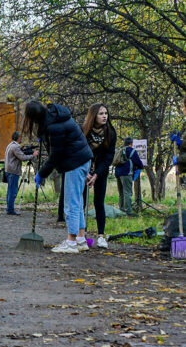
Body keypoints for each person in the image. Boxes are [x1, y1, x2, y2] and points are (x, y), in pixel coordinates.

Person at [26, 101, 93, 254]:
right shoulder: (55, 116)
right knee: (78, 200)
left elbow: (56, 155)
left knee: (71, 204)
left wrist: (41, 173)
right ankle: (81, 240)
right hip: (81, 160)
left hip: (74, 163)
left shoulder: (54, 126)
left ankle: (71, 242)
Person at [82, 103, 116, 248]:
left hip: (101, 170)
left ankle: (101, 236)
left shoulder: (110, 132)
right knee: (81, 203)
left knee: (99, 202)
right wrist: (86, 173)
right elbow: (79, 151)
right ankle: (80, 234)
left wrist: (96, 174)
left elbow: (109, 157)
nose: (104, 116)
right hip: (83, 170)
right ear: (93, 115)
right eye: (101, 113)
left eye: (106, 113)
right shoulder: (84, 131)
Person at [4, 131, 38, 215]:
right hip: (13, 171)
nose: (21, 139)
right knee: (13, 191)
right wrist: (33, 155)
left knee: (10, 190)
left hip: (9, 170)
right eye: (21, 137)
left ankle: (9, 208)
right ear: (18, 138)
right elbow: (22, 157)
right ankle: (10, 210)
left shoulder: (10, 145)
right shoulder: (15, 147)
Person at [115, 136, 144, 216]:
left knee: (121, 193)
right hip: (126, 173)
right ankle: (128, 212)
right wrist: (141, 166)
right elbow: (138, 162)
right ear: (131, 143)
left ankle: (121, 210)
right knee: (127, 192)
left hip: (118, 173)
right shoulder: (131, 150)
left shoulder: (120, 150)